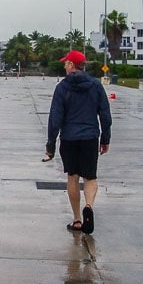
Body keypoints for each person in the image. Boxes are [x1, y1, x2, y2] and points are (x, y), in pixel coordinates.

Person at [43, 50, 111, 234]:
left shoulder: (62, 87)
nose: (64, 65)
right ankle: (88, 205)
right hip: (90, 138)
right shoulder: (96, 86)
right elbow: (105, 114)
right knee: (90, 177)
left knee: (72, 177)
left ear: (72, 65)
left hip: (69, 139)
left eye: (66, 63)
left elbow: (55, 117)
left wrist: (50, 144)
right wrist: (105, 139)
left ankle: (77, 220)